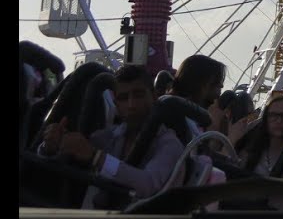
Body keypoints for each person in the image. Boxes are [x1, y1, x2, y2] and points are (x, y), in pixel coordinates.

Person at [39, 64, 186, 208]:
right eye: (123, 98)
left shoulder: (169, 143)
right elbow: (69, 153)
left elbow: (146, 185)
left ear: (154, 96)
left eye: (139, 95)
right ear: (116, 104)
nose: (131, 104)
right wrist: (51, 144)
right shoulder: (107, 137)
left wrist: (96, 157)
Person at [226, 96, 283, 210]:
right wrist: (232, 139)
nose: (279, 121)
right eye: (273, 115)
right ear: (265, 119)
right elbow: (223, 174)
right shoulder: (250, 149)